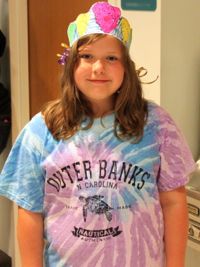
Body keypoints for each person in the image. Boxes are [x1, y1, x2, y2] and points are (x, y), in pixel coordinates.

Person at [0, 2, 196, 267]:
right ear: (70, 64)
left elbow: (173, 201)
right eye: (87, 56)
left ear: (126, 67)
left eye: (111, 58)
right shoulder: (41, 130)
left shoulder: (157, 126)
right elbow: (29, 211)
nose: (98, 68)